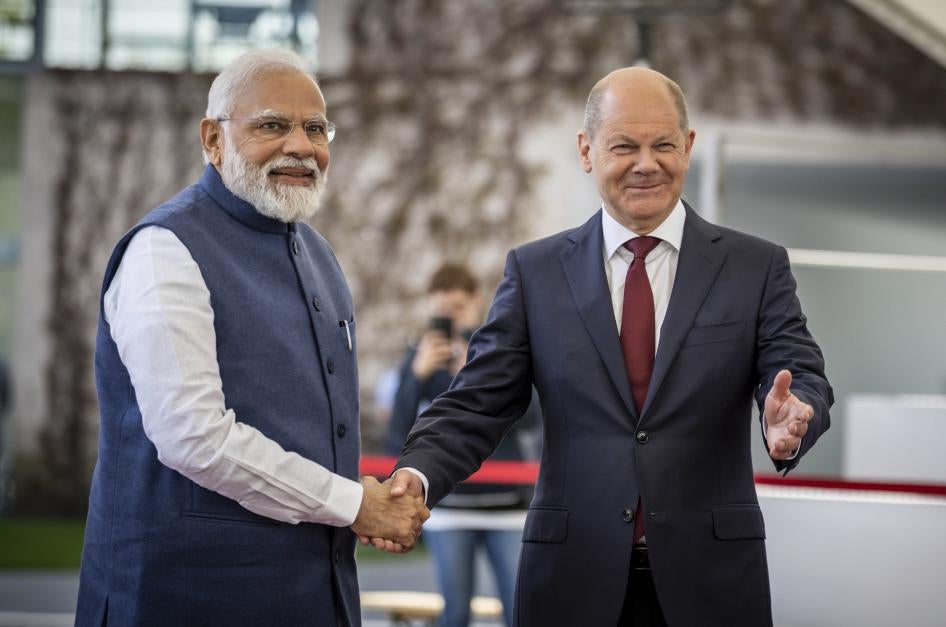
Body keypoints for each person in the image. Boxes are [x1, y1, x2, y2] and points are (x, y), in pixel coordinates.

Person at [378, 67, 833, 626]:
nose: (646, 163)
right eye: (624, 146)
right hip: (571, 581)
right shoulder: (536, 272)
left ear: (688, 148)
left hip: (712, 583)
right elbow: (477, 402)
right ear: (586, 151)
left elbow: (799, 371)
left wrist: (795, 415)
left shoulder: (755, 267)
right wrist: (417, 474)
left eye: (663, 144)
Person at [75, 49, 428, 627]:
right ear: (213, 140)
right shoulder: (165, 250)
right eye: (272, 125)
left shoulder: (318, 254)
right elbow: (194, 437)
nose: (301, 146)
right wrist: (354, 504)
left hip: (313, 598)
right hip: (185, 601)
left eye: (316, 129)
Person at [387, 263, 540, 627]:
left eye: (457, 308)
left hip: (507, 503)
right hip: (450, 504)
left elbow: (532, 417)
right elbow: (398, 431)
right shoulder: (422, 356)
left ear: (476, 302)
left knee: (519, 610)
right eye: (442, 311)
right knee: (454, 613)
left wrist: (475, 375)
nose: (451, 318)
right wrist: (415, 377)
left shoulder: (498, 350)